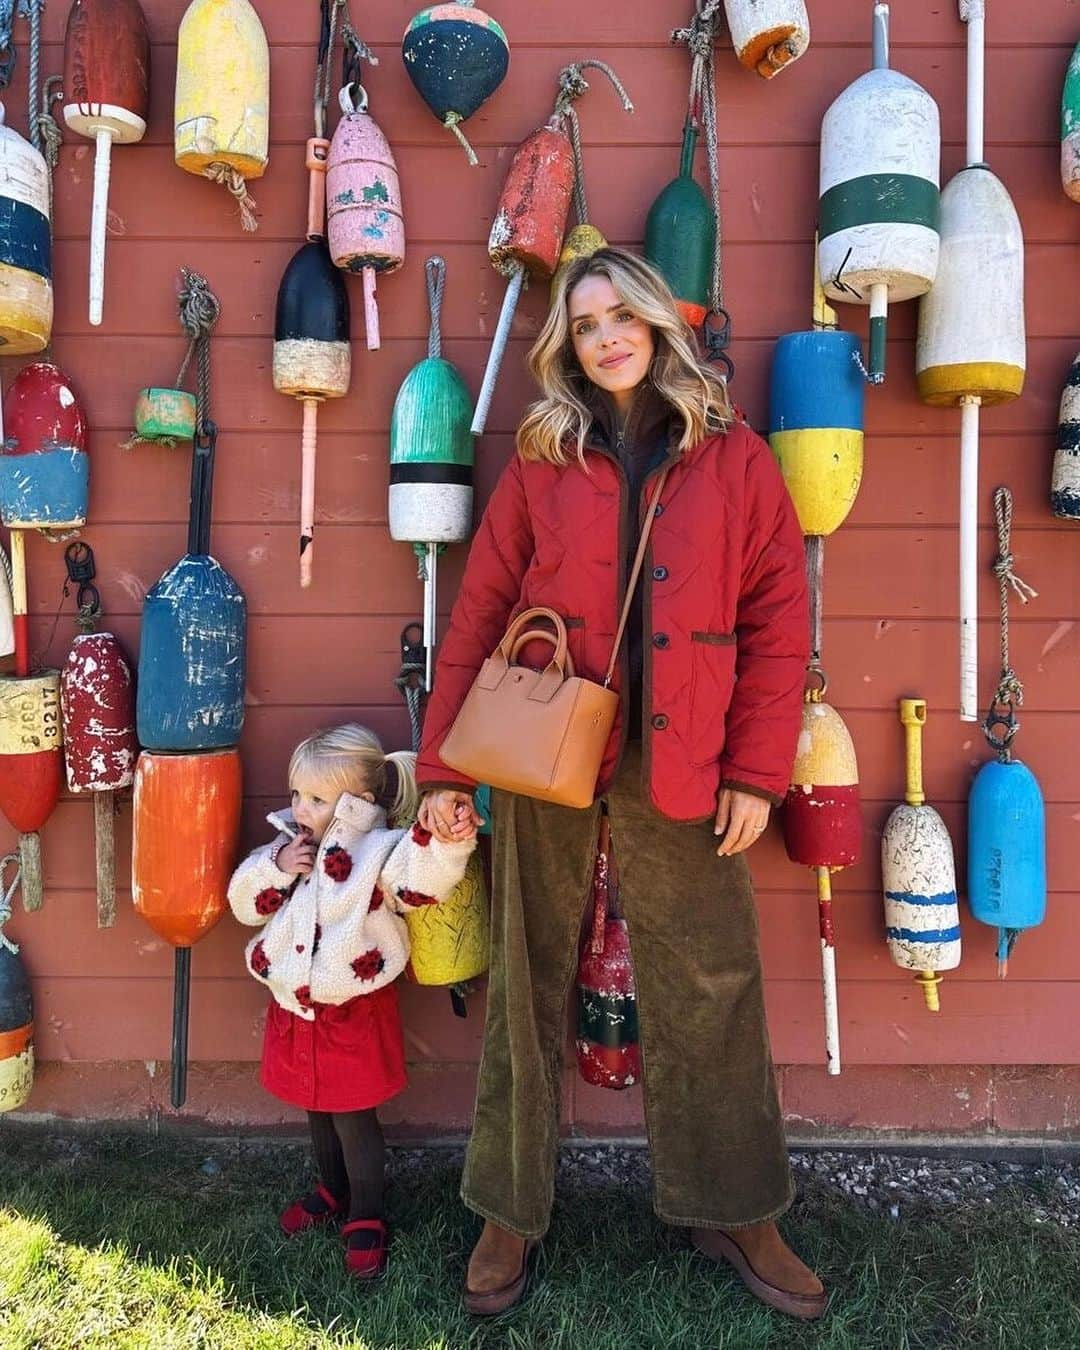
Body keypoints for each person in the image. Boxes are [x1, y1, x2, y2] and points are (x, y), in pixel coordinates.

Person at [416, 248, 825, 1319]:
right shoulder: (542, 455)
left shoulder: (734, 459)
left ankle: (731, 1204)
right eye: (583, 318)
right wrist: (442, 770)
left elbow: (782, 621)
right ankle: (509, 1208)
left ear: (655, 321)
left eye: (619, 312)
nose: (604, 333)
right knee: (524, 973)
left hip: (688, 758)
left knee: (714, 980)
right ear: (567, 343)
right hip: (549, 749)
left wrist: (757, 772)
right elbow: (477, 612)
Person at [227, 723, 477, 1279]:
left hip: (351, 1011)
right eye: (296, 794)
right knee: (316, 1108)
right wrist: (275, 866)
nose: (300, 807)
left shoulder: (379, 852)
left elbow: (421, 879)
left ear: (357, 803)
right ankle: (330, 1189)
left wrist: (449, 842)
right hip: (295, 1006)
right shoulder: (290, 846)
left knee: (352, 1117)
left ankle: (366, 1211)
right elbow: (246, 904)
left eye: (316, 799)